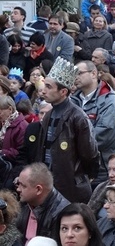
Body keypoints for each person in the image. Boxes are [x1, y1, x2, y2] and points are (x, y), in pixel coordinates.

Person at [33, 57, 99, 203]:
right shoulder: (49, 114)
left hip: (69, 187)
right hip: (47, 182)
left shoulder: (77, 117)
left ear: (63, 91)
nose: (43, 91)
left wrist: (80, 177)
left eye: (49, 87)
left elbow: (89, 153)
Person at [72, 60, 115, 187]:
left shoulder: (110, 101)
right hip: (77, 165)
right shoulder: (74, 99)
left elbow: (102, 136)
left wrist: (71, 142)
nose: (76, 77)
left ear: (93, 74)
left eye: (79, 73)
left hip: (101, 168)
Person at [15, 163, 70, 244]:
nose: (18, 189)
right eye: (18, 184)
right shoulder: (24, 203)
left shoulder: (63, 214)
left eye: (23, 185)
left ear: (38, 189)